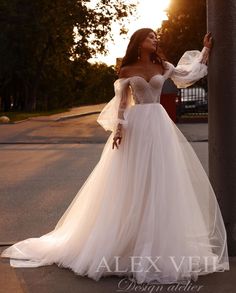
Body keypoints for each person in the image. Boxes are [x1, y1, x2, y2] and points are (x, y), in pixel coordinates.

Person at [1, 28, 230, 285]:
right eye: (150, 37)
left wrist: (206, 50)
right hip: (135, 127)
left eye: (156, 37)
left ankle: (156, 243)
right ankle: (124, 243)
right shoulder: (127, 70)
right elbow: (122, 102)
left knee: (159, 181)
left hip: (159, 127)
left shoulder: (162, 65)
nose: (155, 40)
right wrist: (120, 130)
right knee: (130, 182)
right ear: (138, 42)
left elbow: (187, 75)